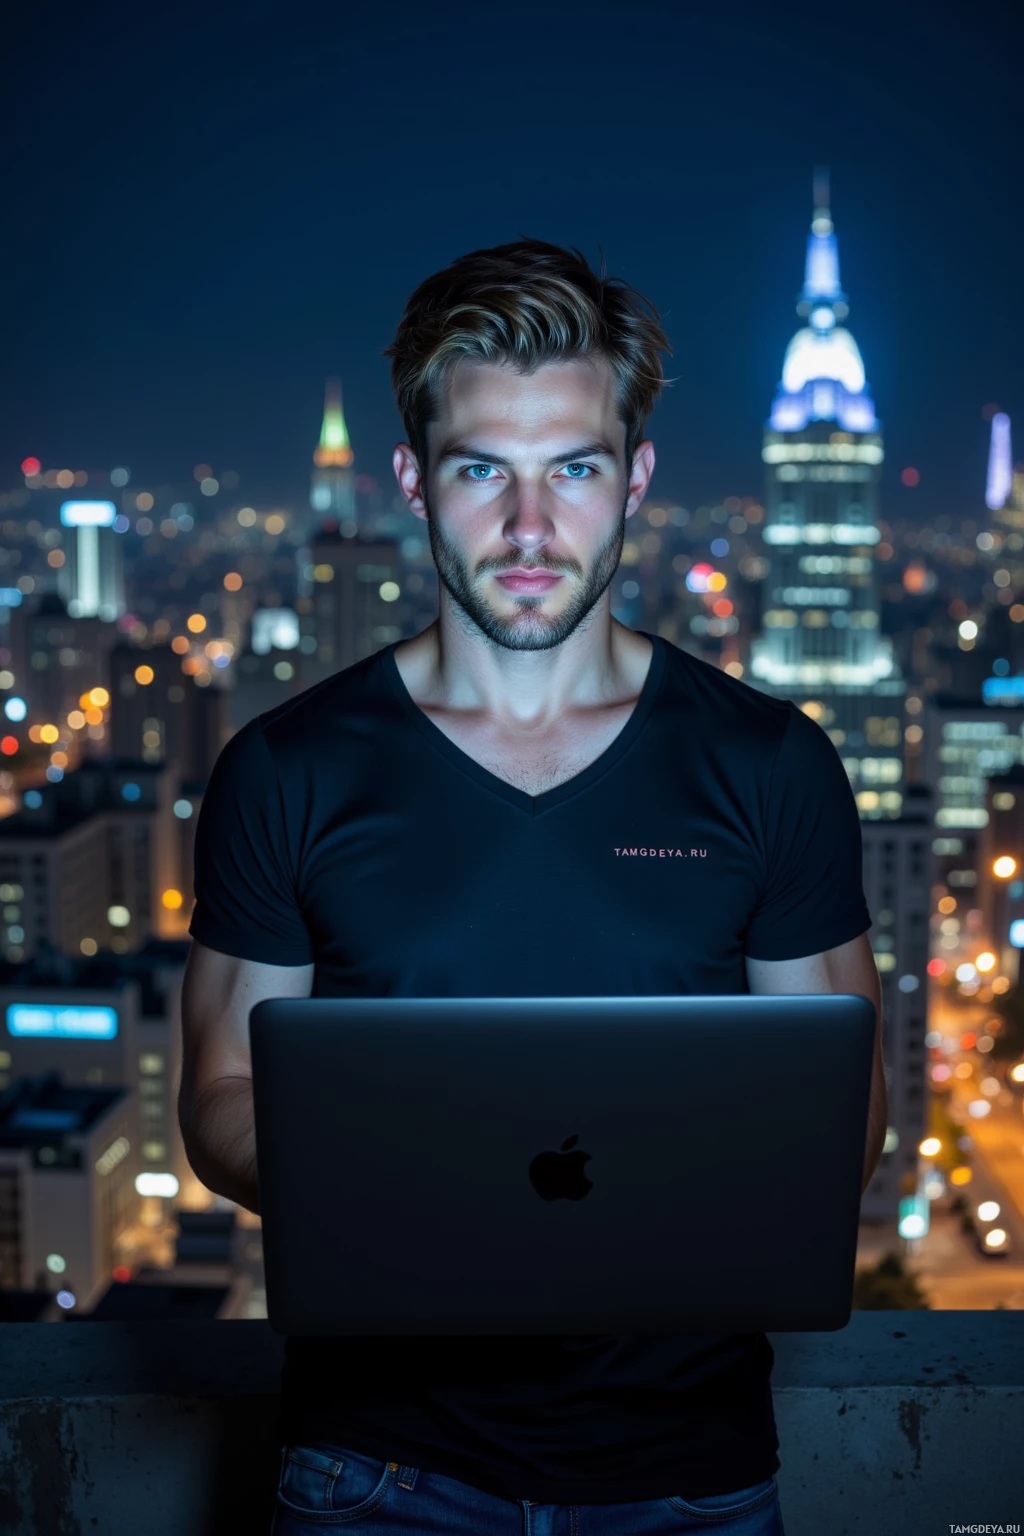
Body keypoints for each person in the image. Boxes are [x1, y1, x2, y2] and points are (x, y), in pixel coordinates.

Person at [179, 237, 886, 1535]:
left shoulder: (772, 765)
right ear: (412, 481)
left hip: (693, 1471)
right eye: (480, 473)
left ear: (636, 479)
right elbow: (219, 1095)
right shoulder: (283, 771)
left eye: (572, 470)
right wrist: (411, 1181)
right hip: (372, 1470)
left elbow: (849, 1114)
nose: (527, 528)